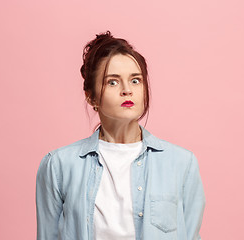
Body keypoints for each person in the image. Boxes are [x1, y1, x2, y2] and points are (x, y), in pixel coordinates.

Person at [36, 31, 205, 240]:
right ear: (91, 97)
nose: (127, 90)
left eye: (135, 81)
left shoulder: (181, 163)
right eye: (113, 82)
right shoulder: (58, 166)